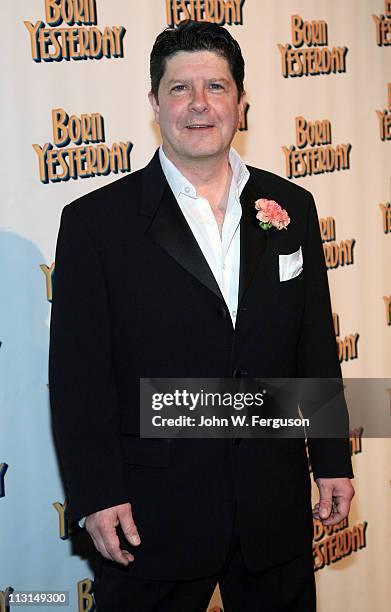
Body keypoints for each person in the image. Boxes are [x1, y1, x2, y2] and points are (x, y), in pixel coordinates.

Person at [49, 19, 354, 612]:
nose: (198, 105)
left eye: (215, 87)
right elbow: (80, 376)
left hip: (273, 507)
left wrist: (333, 459)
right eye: (180, 88)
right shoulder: (96, 223)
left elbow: (313, 343)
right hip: (151, 513)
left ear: (241, 101)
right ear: (155, 103)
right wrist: (97, 493)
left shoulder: (292, 205)